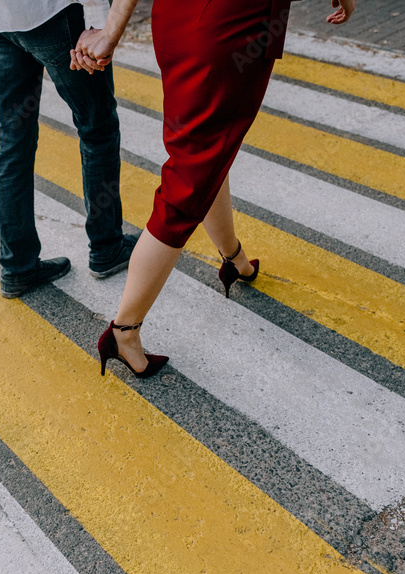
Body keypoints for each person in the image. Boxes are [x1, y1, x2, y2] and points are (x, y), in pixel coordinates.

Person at [71, 0, 357, 377]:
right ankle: (124, 330)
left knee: (207, 155)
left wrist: (112, 30)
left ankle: (233, 258)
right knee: (189, 179)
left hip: (178, 21)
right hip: (231, 26)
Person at [0, 0, 139, 299]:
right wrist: (99, 22)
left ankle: (17, 267)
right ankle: (106, 246)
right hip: (54, 14)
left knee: (11, 141)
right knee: (97, 128)